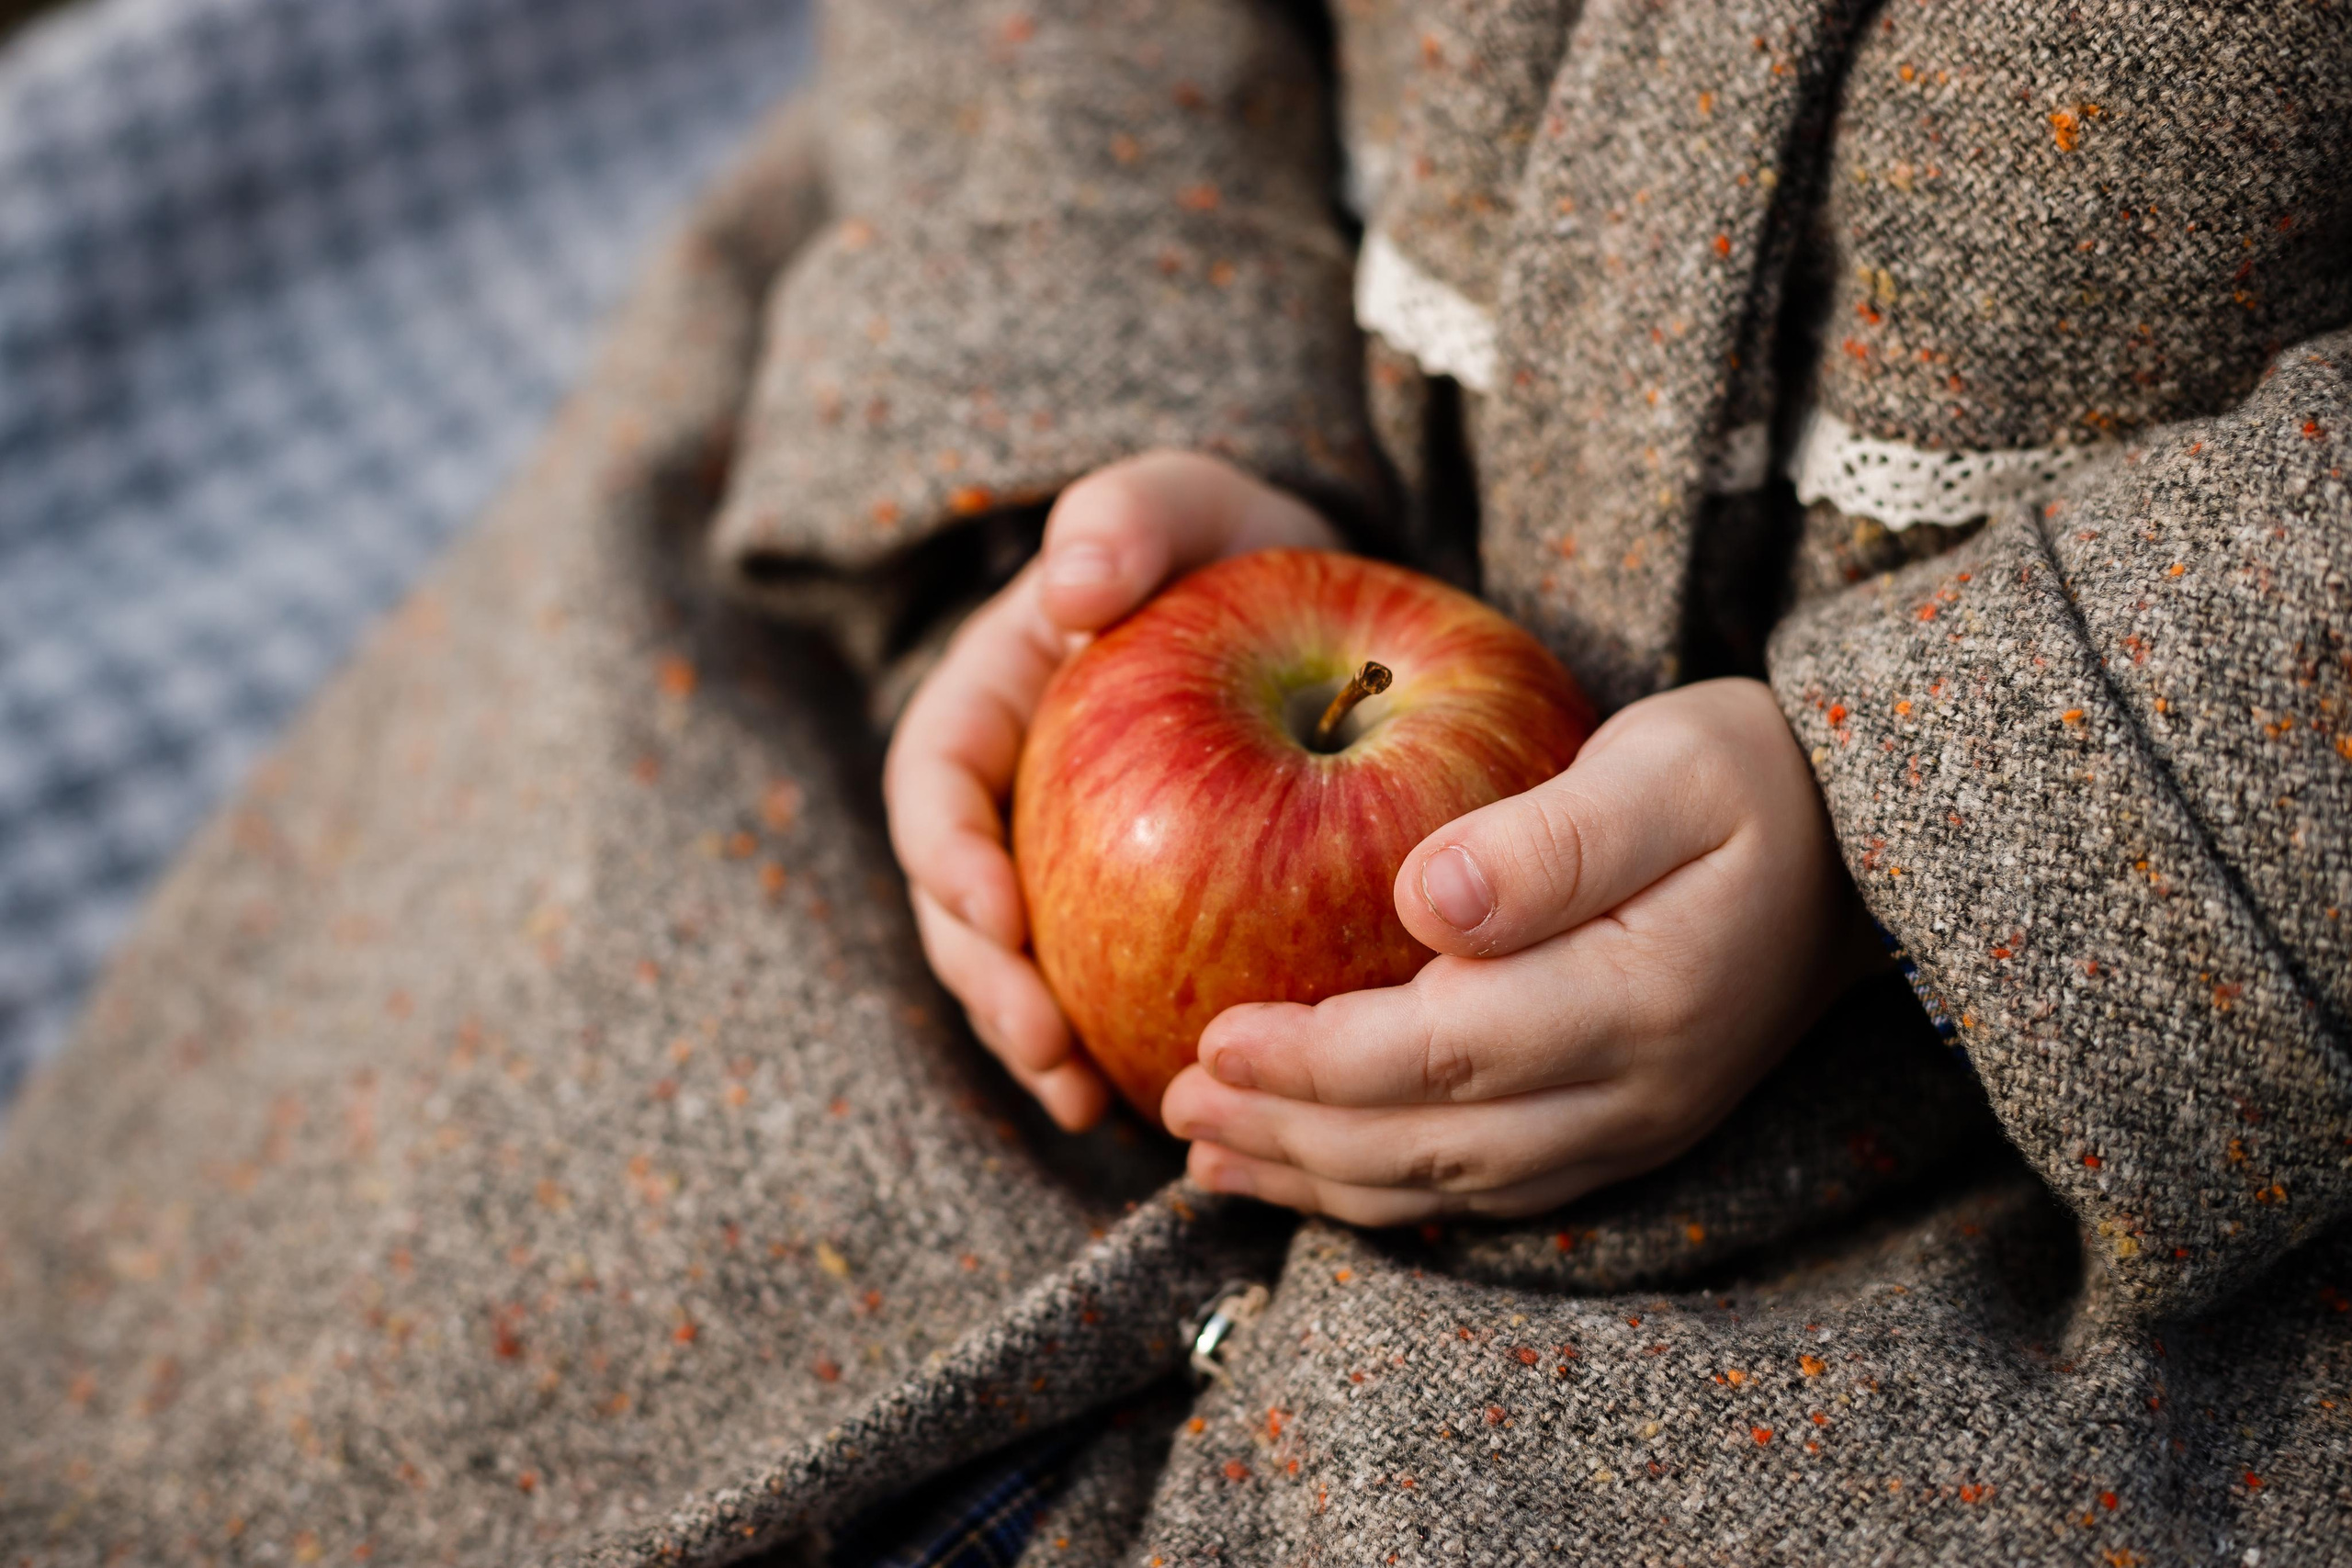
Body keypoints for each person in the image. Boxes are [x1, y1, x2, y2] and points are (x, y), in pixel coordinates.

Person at [4, 2, 2346, 1564]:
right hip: (1101, 519)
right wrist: (1077, 412)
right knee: (397, 1233)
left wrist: (2005, 788)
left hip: (2126, 997)